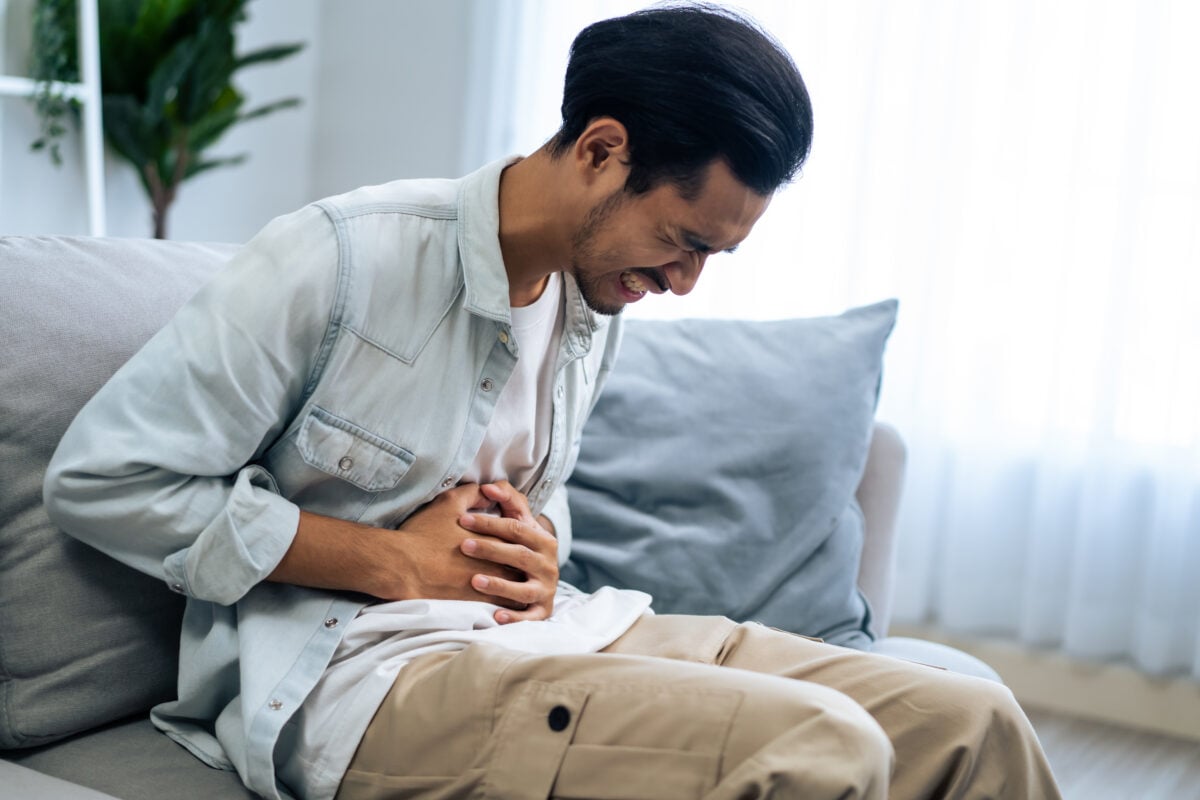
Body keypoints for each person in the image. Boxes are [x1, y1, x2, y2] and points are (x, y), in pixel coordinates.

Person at [44, 4, 1061, 799]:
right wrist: (393, 559)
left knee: (974, 719)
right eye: (686, 240)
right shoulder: (339, 258)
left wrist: (539, 554)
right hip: (352, 679)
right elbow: (104, 480)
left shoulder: (589, 301)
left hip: (556, 632)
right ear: (601, 150)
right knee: (825, 746)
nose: (688, 282)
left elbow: (538, 496)